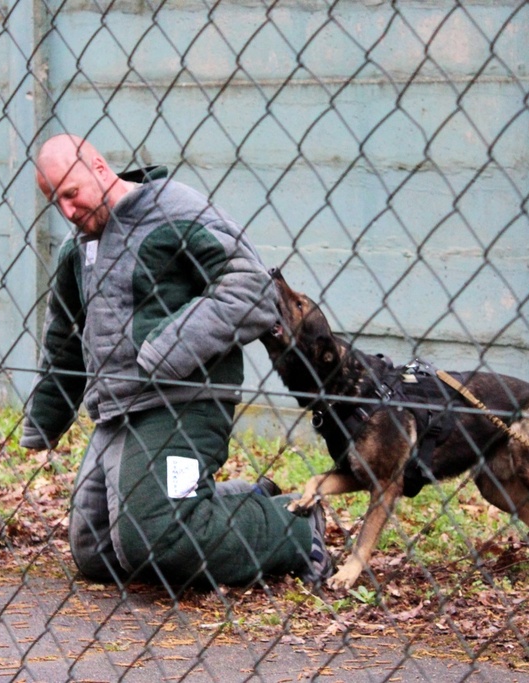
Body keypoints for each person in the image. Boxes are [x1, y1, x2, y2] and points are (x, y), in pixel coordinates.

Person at [20, 134, 330, 590]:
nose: (67, 211)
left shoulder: (173, 209)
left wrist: (165, 351)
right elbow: (63, 337)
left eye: (72, 193)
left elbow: (252, 289)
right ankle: (237, 500)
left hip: (183, 401)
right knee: (97, 552)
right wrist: (42, 423)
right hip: (119, 411)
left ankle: (296, 529)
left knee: (158, 538)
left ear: (100, 169)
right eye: (56, 202)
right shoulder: (81, 248)